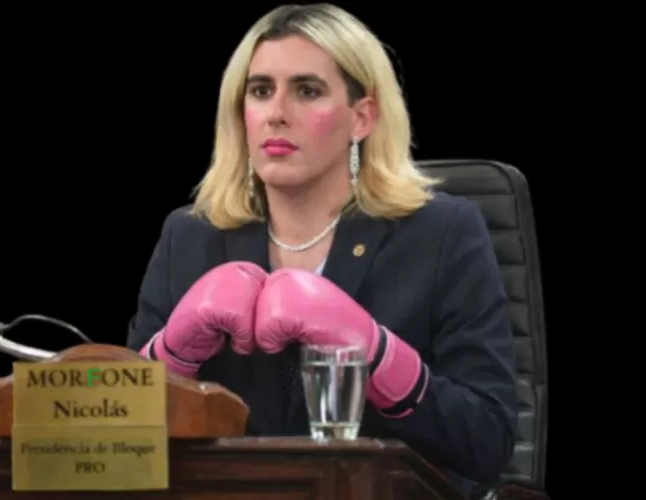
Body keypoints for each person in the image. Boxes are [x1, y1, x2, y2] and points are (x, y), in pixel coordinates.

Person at [126, 4, 518, 497]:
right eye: (261, 90)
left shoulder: (442, 233)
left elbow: (487, 442)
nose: (277, 113)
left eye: (307, 91)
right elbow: (115, 444)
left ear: (362, 117)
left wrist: (378, 355)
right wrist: (169, 356)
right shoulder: (189, 236)